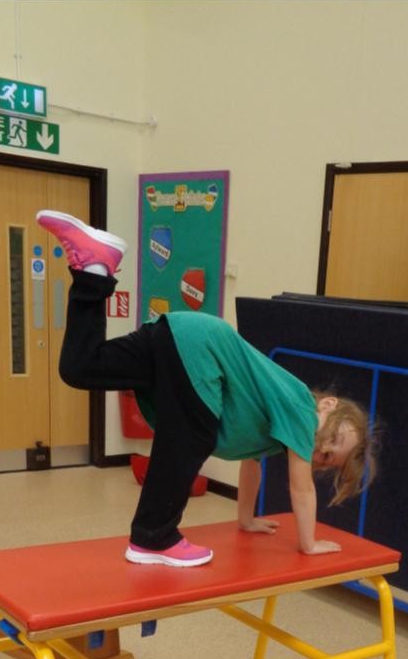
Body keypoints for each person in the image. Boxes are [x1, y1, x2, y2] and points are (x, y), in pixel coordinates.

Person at [36, 210, 376, 567]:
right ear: (327, 405)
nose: (320, 449)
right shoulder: (301, 410)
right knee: (192, 435)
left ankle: (93, 269)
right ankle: (153, 539)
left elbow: (251, 466)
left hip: (178, 335)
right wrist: (309, 543)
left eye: (327, 459)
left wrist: (245, 519)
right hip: (201, 351)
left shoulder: (274, 422)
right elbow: (301, 488)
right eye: (332, 439)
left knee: (82, 368)